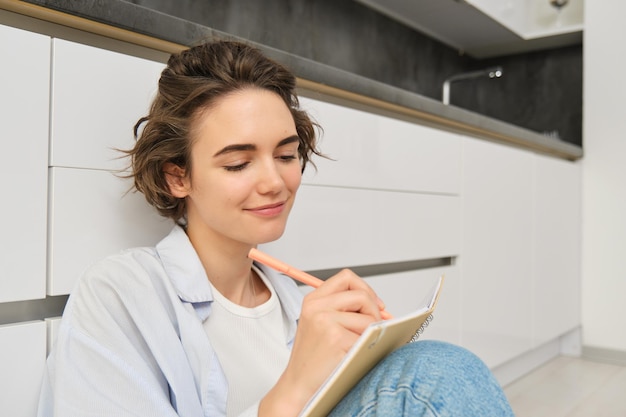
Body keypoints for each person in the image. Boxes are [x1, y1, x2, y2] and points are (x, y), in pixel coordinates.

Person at [37, 39, 514, 417]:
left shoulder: (298, 302)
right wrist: (295, 387)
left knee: (425, 366)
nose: (275, 182)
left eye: (287, 156)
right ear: (178, 175)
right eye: (239, 163)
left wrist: (368, 362)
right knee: (435, 374)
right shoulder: (121, 295)